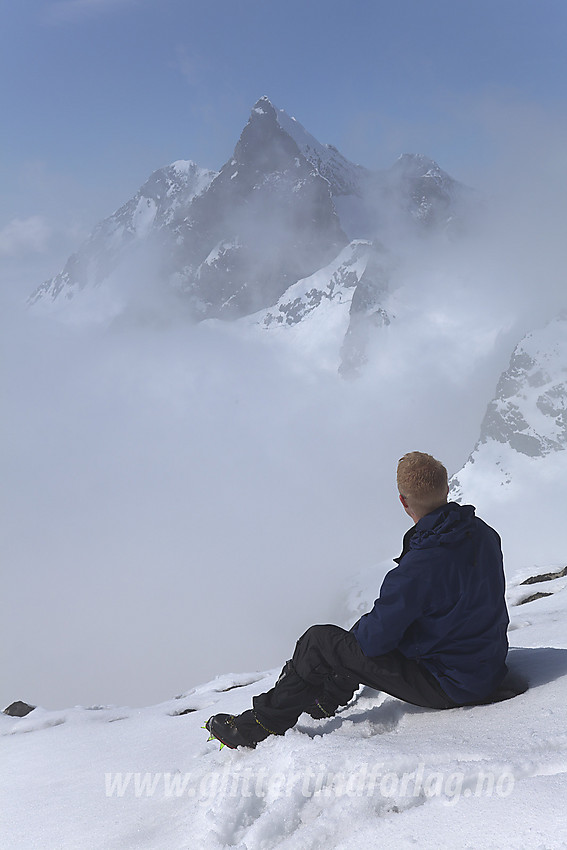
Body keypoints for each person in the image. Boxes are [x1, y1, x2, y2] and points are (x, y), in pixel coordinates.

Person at [204, 451, 512, 749]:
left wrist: (345, 649)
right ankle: (326, 698)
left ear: (403, 502)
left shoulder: (418, 568)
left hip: (451, 685)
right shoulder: (484, 534)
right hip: (485, 667)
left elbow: (375, 642)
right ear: (446, 488)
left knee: (320, 641)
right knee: (359, 637)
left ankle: (259, 727)